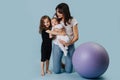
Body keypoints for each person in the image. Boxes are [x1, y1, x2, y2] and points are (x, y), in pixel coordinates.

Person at [51, 3, 79, 73]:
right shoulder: (55, 18)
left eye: (60, 12)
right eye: (57, 11)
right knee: (56, 71)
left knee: (69, 71)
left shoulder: (72, 20)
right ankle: (59, 62)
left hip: (69, 45)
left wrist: (68, 43)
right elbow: (52, 31)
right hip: (57, 45)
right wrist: (57, 32)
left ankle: (65, 63)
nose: (57, 14)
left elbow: (76, 37)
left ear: (65, 12)